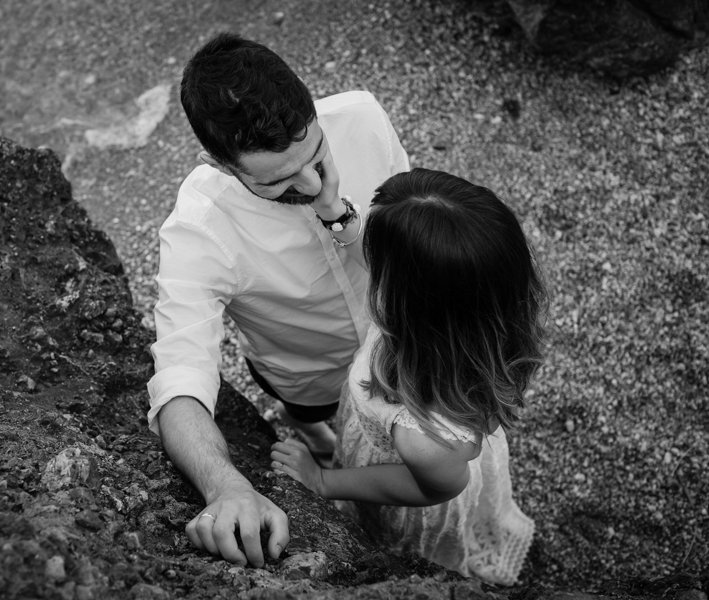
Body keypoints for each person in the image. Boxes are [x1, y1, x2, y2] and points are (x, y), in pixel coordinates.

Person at [147, 32, 410, 568]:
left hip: (408, 341)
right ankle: (320, 445)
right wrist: (226, 487)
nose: (312, 183)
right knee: (320, 431)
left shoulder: (362, 117)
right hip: (310, 378)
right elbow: (179, 381)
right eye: (280, 180)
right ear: (219, 164)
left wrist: (342, 216)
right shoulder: (198, 230)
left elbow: (413, 235)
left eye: (315, 155)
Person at [271, 168, 546, 585]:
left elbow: (430, 490)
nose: (363, 243)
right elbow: (382, 255)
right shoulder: (467, 318)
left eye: (378, 259)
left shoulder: (427, 437)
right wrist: (333, 211)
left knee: (399, 551)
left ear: (403, 296)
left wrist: (325, 481)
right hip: (395, 443)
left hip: (405, 485)